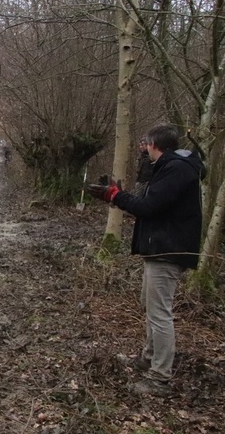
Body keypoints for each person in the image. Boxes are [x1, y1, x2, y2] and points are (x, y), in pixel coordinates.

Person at [87, 123, 204, 397]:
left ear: (154, 144)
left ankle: (159, 377)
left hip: (168, 249)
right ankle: (148, 358)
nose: (144, 149)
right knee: (149, 305)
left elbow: (148, 207)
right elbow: (146, 200)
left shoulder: (175, 170)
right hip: (162, 247)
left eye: (145, 145)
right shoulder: (170, 168)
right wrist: (122, 192)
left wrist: (114, 195)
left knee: (160, 314)